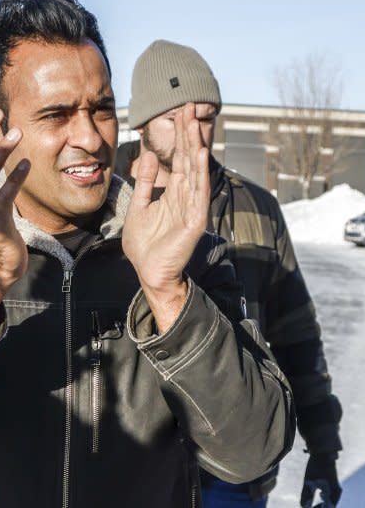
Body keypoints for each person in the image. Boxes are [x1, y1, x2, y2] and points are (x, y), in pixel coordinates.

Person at [0, 0, 294, 508]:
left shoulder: (189, 255)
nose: (92, 139)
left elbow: (254, 450)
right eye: (55, 115)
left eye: (102, 109)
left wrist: (167, 292)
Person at [116, 39, 342, 508]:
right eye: (175, 117)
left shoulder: (257, 207)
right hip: (131, 461)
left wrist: (323, 446)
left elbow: (295, 333)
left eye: (205, 115)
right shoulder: (102, 200)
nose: (194, 131)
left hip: (232, 473)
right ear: (141, 123)